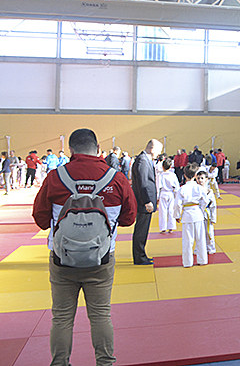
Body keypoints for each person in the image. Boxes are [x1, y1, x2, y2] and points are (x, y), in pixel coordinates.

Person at [32, 128, 136, 366]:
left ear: (71, 149)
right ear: (97, 148)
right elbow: (130, 218)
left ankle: (60, 363)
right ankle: (105, 363)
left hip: (62, 259)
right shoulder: (116, 178)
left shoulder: (55, 177)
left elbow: (40, 218)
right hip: (101, 259)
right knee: (100, 315)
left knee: (61, 317)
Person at [131, 139, 163, 265]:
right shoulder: (142, 161)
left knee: (143, 230)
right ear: (152, 149)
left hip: (145, 200)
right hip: (144, 202)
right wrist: (147, 201)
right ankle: (139, 256)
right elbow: (143, 183)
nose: (159, 154)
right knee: (141, 230)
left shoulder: (144, 160)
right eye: (158, 151)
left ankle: (141, 254)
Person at [174, 163, 210, 268]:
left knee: (187, 240)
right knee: (200, 239)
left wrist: (177, 215)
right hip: (198, 213)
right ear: (195, 176)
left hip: (187, 214)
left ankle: (187, 262)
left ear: (184, 175)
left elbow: (177, 204)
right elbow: (205, 201)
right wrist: (201, 210)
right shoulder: (200, 188)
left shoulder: (182, 189)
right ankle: (202, 260)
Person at [157, 157, 179, 234]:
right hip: (171, 193)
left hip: (163, 193)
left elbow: (158, 186)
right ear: (170, 167)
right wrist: (177, 195)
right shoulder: (173, 175)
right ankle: (171, 227)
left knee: (163, 211)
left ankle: (163, 228)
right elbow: (177, 186)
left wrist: (157, 196)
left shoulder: (160, 175)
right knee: (171, 210)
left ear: (162, 167)